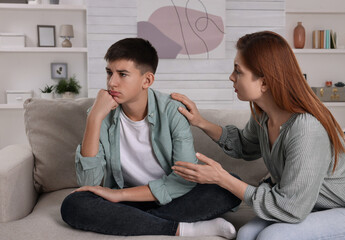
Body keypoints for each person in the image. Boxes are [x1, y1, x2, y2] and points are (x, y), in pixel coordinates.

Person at [171, 31, 345, 240]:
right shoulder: (263, 116)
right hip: (313, 208)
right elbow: (244, 145)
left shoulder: (306, 129)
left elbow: (291, 209)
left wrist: (222, 179)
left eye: (238, 71)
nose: (231, 77)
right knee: (246, 234)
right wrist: (200, 122)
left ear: (264, 82)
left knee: (273, 237)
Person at [60, 38, 240, 238]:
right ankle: (183, 228)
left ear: (147, 80)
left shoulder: (172, 110)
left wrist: (118, 196)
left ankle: (134, 221)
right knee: (74, 204)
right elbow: (88, 182)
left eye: (123, 74)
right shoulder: (99, 113)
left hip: (170, 196)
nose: (112, 82)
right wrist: (94, 118)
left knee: (231, 185)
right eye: (109, 72)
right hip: (129, 198)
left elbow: (184, 179)